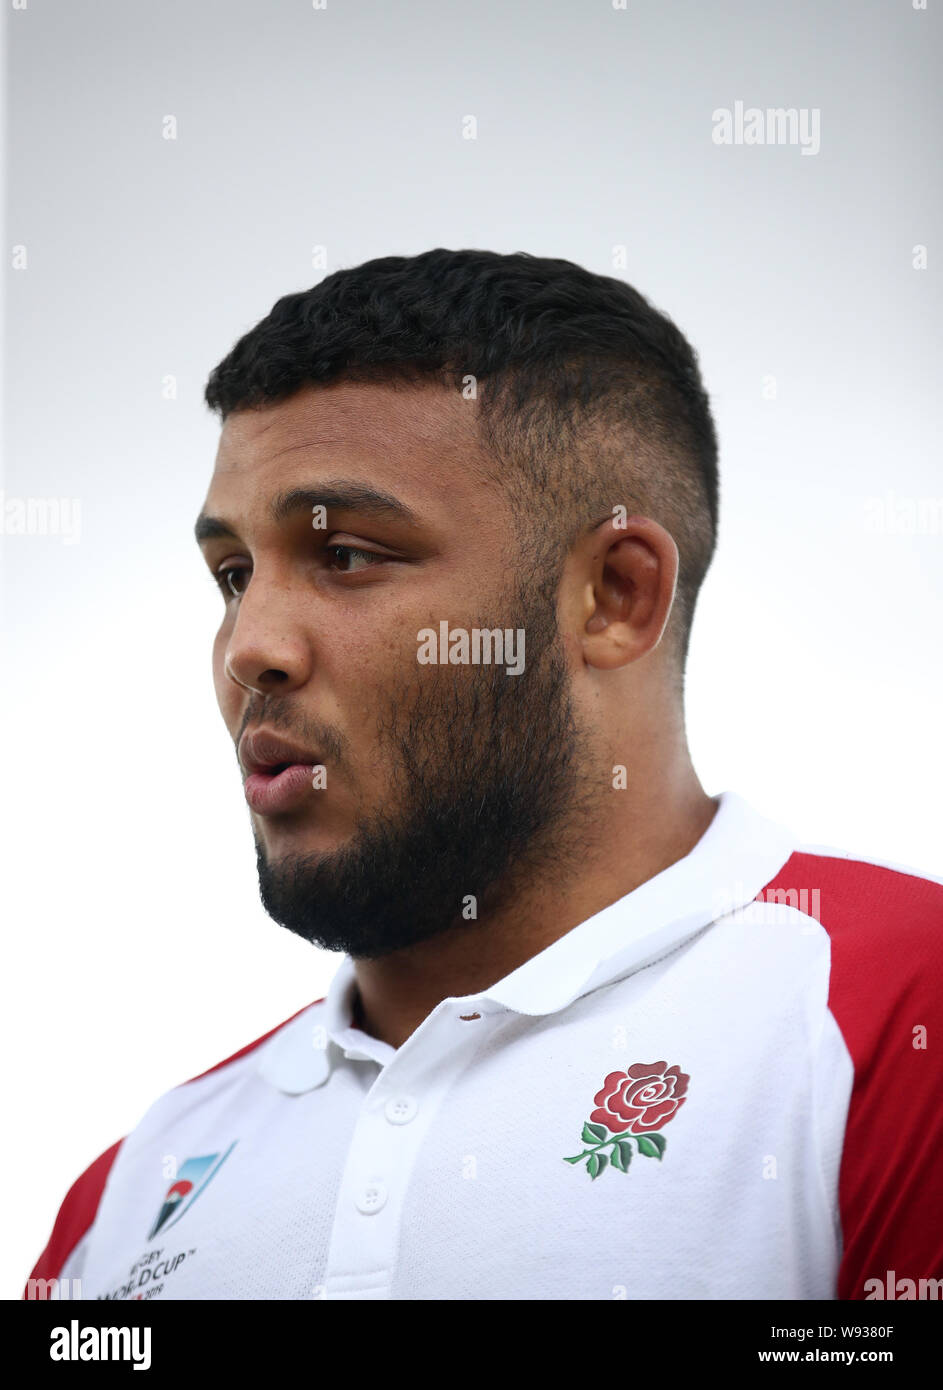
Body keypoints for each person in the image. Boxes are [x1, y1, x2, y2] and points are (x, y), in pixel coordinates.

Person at [25, 249, 942, 1301]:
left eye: (347, 556)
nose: (250, 646)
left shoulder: (898, 1017)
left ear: (612, 595)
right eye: (233, 574)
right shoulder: (126, 1194)